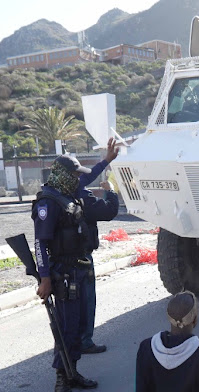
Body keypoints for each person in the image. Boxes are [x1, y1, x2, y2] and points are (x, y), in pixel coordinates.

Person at [33, 154, 98, 392]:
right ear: (61, 174)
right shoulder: (47, 202)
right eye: (74, 174)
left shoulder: (67, 197)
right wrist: (45, 278)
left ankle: (74, 373)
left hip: (79, 268)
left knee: (80, 325)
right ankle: (62, 379)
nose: (78, 178)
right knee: (66, 328)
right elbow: (40, 243)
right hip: (63, 274)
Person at [77, 138, 119, 354]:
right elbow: (110, 211)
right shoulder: (82, 198)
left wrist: (106, 161)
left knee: (69, 306)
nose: (81, 178)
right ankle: (84, 342)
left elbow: (87, 176)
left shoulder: (52, 194)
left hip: (59, 260)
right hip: (81, 260)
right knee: (86, 301)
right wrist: (110, 191)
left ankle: (69, 341)